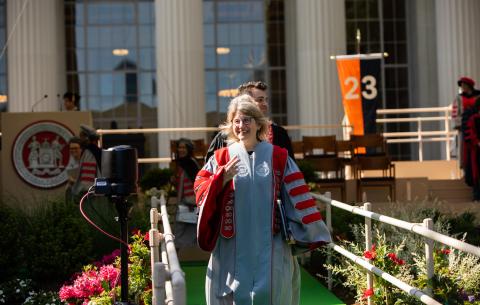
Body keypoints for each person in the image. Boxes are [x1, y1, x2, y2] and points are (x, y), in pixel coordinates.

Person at [194, 95, 331, 305]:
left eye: (247, 119)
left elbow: (297, 198)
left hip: (271, 243)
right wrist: (221, 179)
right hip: (231, 244)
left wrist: (303, 233)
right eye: (236, 121)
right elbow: (201, 189)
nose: (241, 126)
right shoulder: (220, 158)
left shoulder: (278, 157)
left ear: (259, 123)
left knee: (272, 294)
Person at [205, 81, 294, 162]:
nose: (265, 104)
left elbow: (289, 169)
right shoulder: (224, 137)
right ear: (244, 103)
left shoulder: (279, 133)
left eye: (266, 100)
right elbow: (208, 174)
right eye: (260, 100)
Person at [171, 138, 201, 248]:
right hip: (184, 202)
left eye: (184, 147)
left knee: (185, 230)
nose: (181, 150)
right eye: (179, 147)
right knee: (184, 230)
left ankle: (183, 255)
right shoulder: (180, 164)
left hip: (190, 203)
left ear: (189, 149)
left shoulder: (191, 163)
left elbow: (198, 182)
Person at [71, 124, 101, 198]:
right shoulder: (96, 151)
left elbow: (87, 178)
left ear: (87, 138)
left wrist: (82, 191)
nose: (80, 139)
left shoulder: (88, 153)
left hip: (89, 194)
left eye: (81, 136)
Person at [65, 136, 83, 203]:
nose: (73, 150)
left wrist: (74, 181)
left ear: (81, 149)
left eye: (75, 148)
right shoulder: (71, 163)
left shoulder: (86, 162)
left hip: (84, 198)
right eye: (71, 148)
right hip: (72, 197)